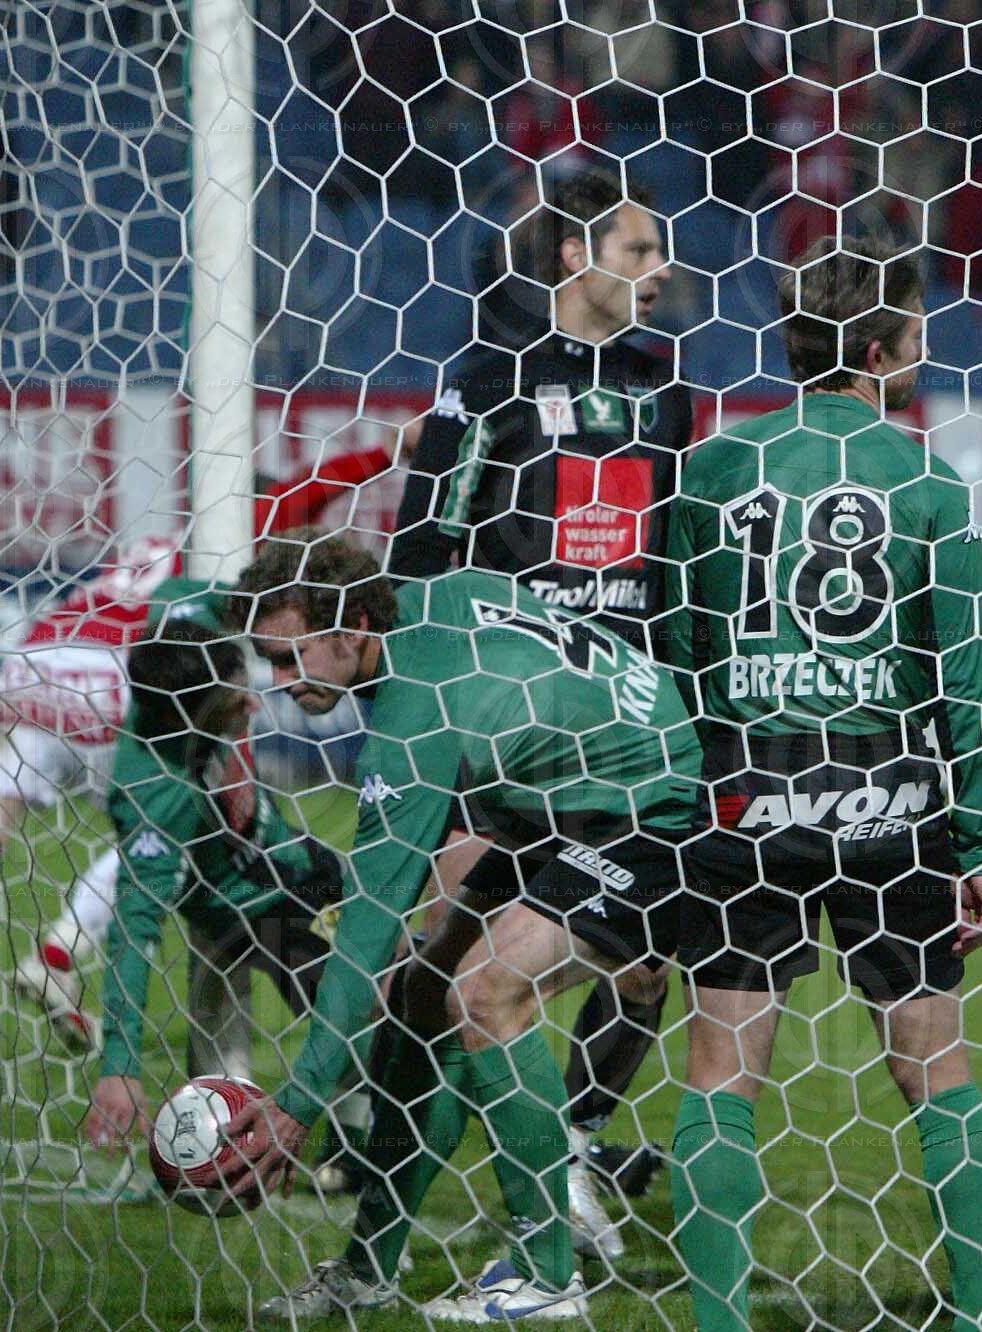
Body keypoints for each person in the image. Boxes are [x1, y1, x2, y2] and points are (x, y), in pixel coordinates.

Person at [215, 532, 703, 1323]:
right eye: (267, 660)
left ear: (356, 627)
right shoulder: (441, 595)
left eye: (289, 655)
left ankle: (549, 1277)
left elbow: (366, 933)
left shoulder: (411, 728)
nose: (278, 681)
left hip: (650, 807)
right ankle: (369, 1268)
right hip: (552, 801)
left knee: (484, 998)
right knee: (419, 995)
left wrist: (299, 1103)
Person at [662, 235, 982, 1332]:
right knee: (935, 1063)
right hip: (889, 800)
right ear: (876, 347)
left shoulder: (715, 466)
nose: (923, 349)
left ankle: (720, 1319)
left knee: (724, 1065)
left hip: (746, 792)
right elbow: (961, 679)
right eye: (914, 331)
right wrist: (976, 845)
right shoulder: (926, 478)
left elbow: (678, 647)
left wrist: (696, 784)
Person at [0, 443, 403, 1083]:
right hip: (121, 676)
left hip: (37, 664)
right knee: (170, 822)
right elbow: (312, 487)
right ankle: (58, 952)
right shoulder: (235, 546)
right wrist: (391, 450)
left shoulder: (158, 549)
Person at [390, 164, 694, 1256]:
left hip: (627, 724)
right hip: (507, 726)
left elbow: (676, 556)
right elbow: (423, 545)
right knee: (436, 967)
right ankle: (388, 1189)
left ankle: (569, 1146)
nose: (659, 272)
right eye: (637, 251)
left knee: (646, 962)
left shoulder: (666, 388)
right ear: (575, 256)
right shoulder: (488, 378)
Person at [75, 616, 356, 1172]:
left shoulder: (182, 669)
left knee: (390, 1006)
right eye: (236, 702)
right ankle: (361, 1160)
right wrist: (120, 1067)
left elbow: (186, 602)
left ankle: (353, 1150)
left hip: (302, 860)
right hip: (267, 911)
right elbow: (135, 929)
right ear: (191, 713)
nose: (254, 710)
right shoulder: (158, 794)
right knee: (381, 1010)